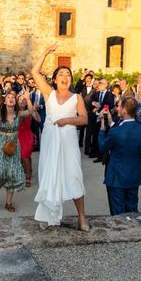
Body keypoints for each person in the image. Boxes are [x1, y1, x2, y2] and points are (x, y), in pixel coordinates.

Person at [32, 43, 89, 231]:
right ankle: (51, 216)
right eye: (61, 74)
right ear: (55, 80)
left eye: (68, 74)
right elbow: (34, 72)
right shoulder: (49, 93)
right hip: (50, 139)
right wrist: (46, 51)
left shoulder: (77, 98)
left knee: (73, 175)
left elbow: (84, 119)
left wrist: (67, 120)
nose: (65, 77)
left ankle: (82, 217)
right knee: (50, 174)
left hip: (69, 140)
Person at [0, 89, 37, 212]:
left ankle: (8, 202)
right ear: (5, 101)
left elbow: (30, 111)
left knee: (12, 172)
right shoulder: (0, 113)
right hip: (0, 144)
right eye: (8, 97)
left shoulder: (19, 114)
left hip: (14, 145)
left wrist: (28, 99)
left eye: (13, 97)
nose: (11, 99)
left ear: (15, 101)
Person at [100, 97, 141, 215]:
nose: (117, 109)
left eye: (120, 107)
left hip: (116, 177)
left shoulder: (116, 132)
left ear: (124, 110)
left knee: (118, 214)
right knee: (132, 211)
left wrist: (102, 129)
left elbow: (102, 147)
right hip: (134, 175)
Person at [17, 92, 40, 187]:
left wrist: (35, 110)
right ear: (17, 101)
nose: (22, 101)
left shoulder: (30, 111)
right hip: (17, 136)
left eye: (24, 100)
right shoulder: (14, 112)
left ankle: (28, 176)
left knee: (24, 156)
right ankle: (29, 169)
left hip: (27, 136)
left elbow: (38, 119)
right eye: (20, 99)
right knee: (24, 157)